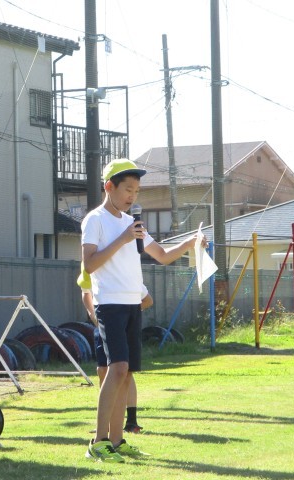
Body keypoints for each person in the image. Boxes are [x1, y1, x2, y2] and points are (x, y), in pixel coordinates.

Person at [82, 158, 205, 463]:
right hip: (109, 304)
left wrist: (191, 242)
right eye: (128, 189)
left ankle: (117, 440)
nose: (132, 196)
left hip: (132, 304)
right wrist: (123, 238)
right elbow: (90, 264)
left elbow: (161, 255)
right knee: (117, 369)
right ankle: (97, 443)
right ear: (109, 187)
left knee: (126, 374)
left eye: (136, 191)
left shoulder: (132, 223)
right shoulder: (95, 220)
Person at [78, 266, 152, 435]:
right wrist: (93, 314)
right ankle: (105, 425)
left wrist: (126, 314)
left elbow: (148, 300)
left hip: (119, 325)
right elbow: (85, 292)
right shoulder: (90, 267)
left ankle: (130, 421)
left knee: (124, 371)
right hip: (103, 323)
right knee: (103, 370)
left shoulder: (124, 274)